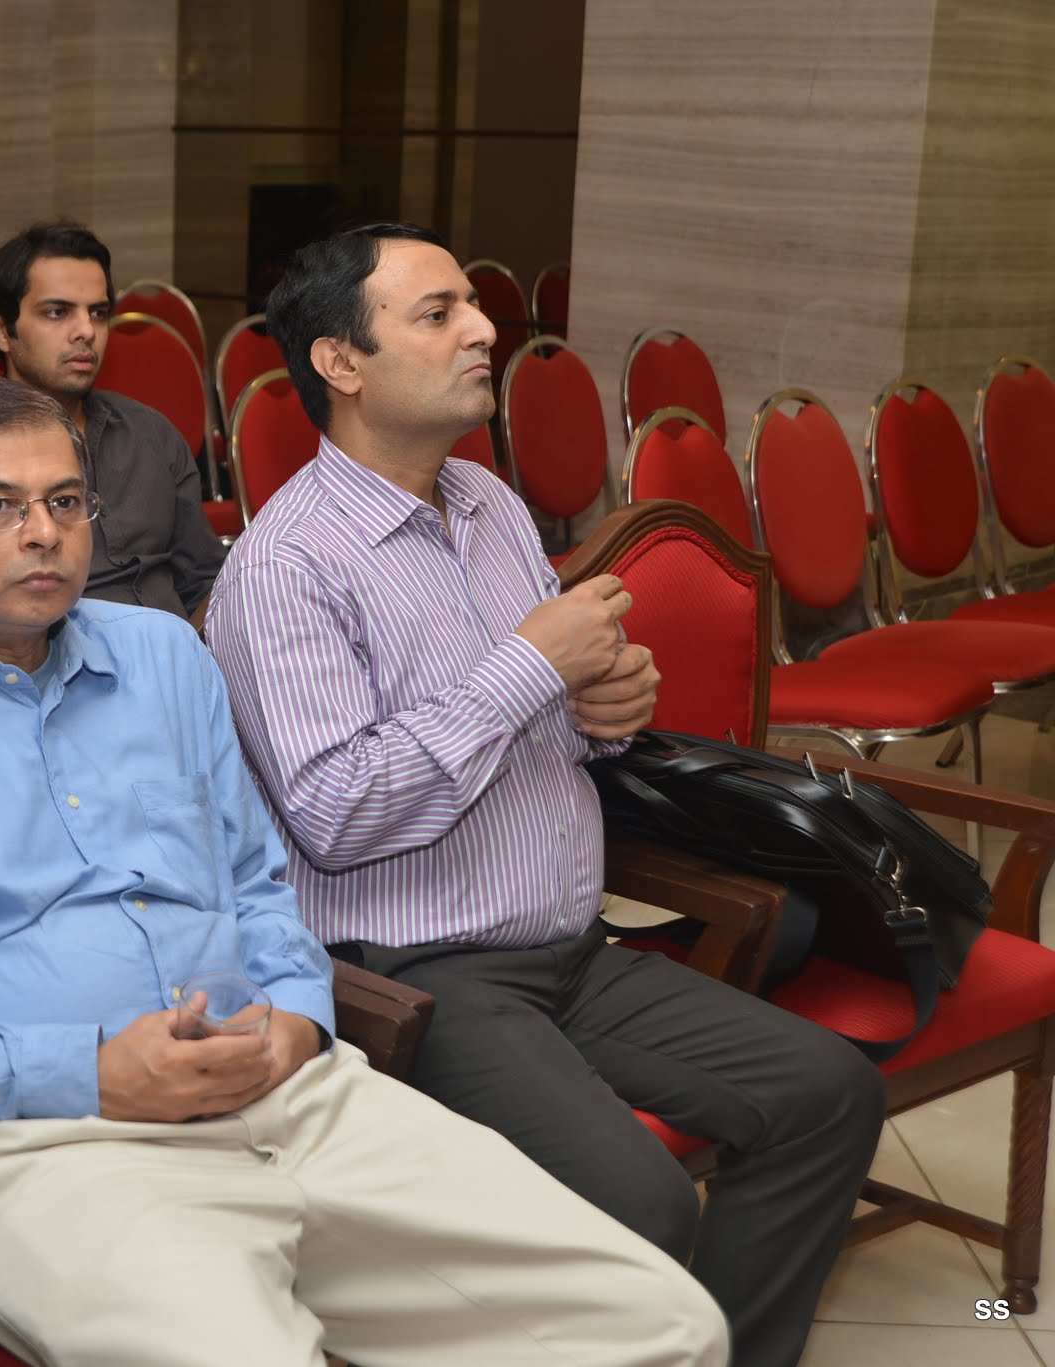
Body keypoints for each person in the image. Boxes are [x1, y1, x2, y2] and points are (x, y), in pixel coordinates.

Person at [0, 377, 728, 1366]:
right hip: (53, 1142)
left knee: (665, 1326)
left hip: (290, 1093)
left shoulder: (167, 659)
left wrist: (298, 1016)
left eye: (65, 501)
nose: (43, 532)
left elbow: (259, 885)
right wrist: (88, 1070)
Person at [205, 223, 886, 1367]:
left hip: (567, 949)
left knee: (825, 1091)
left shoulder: (486, 502)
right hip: (413, 975)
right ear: (339, 361)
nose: (483, 329)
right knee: (639, 1204)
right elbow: (337, 813)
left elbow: (541, 718)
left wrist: (598, 711)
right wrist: (530, 665)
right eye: (437, 314)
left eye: (472, 304)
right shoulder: (284, 567)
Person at [0, 220, 223, 625]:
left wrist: (192, 650)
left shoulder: (153, 435)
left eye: (98, 313)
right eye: (57, 312)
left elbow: (205, 579)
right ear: (1, 329)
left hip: (174, 652)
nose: (86, 332)